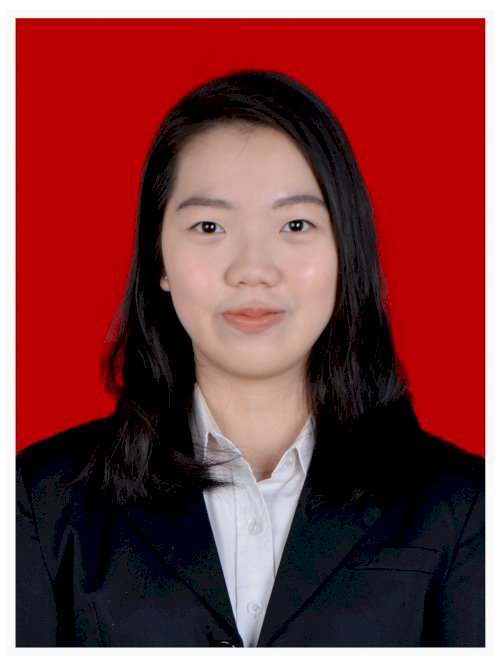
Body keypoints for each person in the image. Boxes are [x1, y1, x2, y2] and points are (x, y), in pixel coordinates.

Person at [16, 70, 484, 648]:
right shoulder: (43, 499)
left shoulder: (461, 506)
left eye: (296, 224)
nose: (253, 270)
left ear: (346, 250)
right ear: (159, 258)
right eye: (209, 226)